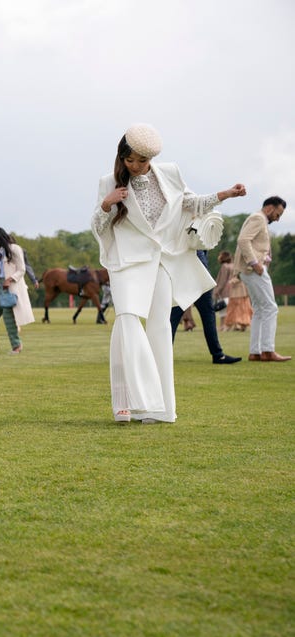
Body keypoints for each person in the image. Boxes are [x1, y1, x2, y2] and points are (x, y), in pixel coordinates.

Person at [92, 123, 246, 423]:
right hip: (126, 264)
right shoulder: (107, 182)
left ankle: (160, 408)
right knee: (126, 320)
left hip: (161, 261)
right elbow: (99, 228)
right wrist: (105, 205)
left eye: (143, 161)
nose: (136, 167)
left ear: (152, 159)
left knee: (160, 328)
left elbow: (191, 204)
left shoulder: (170, 174)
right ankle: (135, 400)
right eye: (130, 160)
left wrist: (224, 194)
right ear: (121, 156)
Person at [235, 196, 289, 362]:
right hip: (254, 269)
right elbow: (243, 240)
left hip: (252, 269)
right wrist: (255, 263)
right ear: (270, 208)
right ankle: (267, 350)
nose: (278, 218)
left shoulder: (258, 219)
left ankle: (256, 352)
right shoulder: (258, 218)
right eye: (278, 214)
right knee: (271, 308)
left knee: (259, 309)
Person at [170, 250, 242, 364]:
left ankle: (164, 354)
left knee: (174, 315)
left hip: (184, 270)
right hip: (195, 270)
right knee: (206, 313)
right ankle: (217, 354)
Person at [0, 227, 34, 354]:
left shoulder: (15, 249)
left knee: (9, 318)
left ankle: (16, 346)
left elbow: (22, 269)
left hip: (10, 288)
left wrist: (10, 279)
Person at [213, 251, 252, 331]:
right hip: (235, 289)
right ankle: (235, 324)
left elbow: (222, 280)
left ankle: (222, 326)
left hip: (225, 290)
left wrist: (216, 291)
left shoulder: (224, 266)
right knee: (233, 308)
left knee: (223, 310)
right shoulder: (234, 265)